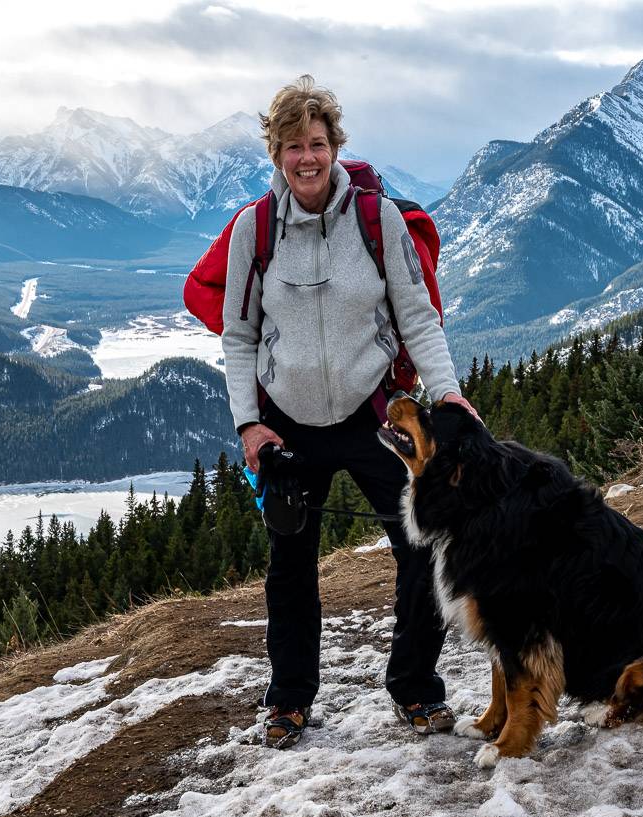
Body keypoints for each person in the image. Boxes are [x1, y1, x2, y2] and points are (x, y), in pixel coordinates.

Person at [220, 75, 477, 749]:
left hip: (374, 421)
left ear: (335, 145)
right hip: (290, 424)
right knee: (290, 568)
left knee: (421, 550)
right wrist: (250, 423)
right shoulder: (255, 229)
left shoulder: (377, 219)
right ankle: (289, 699)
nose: (306, 158)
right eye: (292, 146)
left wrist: (448, 396)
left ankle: (416, 686)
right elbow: (239, 333)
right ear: (274, 153)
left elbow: (418, 317)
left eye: (317, 143)